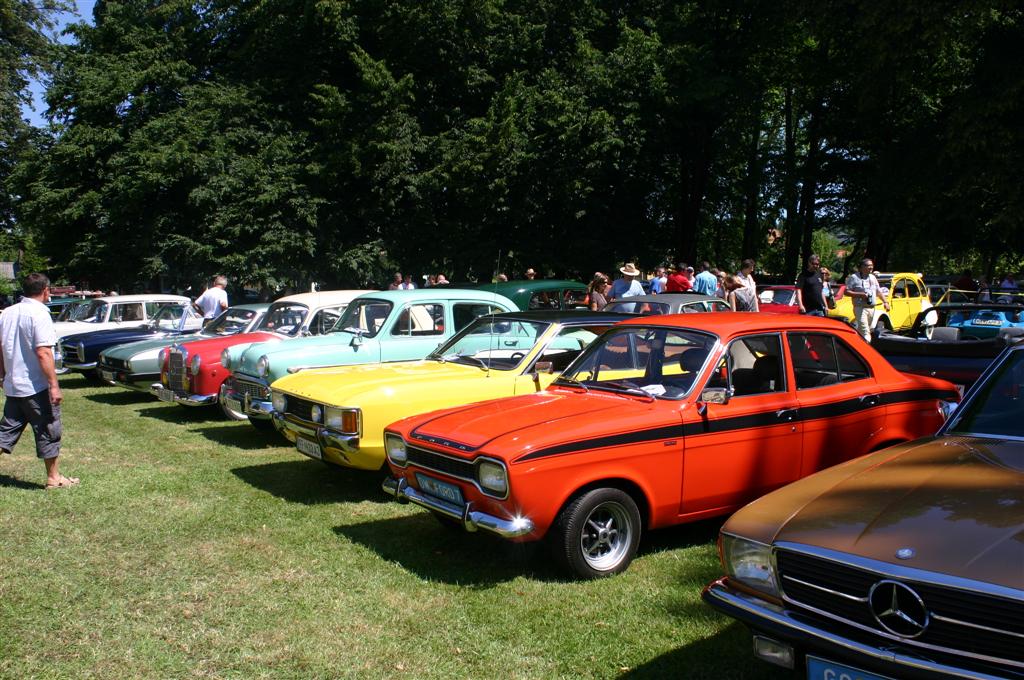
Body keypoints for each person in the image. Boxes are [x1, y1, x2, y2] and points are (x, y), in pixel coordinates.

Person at [0, 273, 78, 489]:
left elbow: (0, 347)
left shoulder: (7, 313)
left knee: (6, 431)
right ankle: (54, 478)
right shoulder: (39, 314)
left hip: (14, 384)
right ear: (46, 290)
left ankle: (55, 477)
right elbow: (44, 352)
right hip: (35, 385)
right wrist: (54, 385)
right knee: (48, 428)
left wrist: (2, 374)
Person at [845, 258, 889, 342]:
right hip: (860, 308)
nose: (871, 267)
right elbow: (846, 292)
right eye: (868, 265)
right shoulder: (854, 277)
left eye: (872, 265)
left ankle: (854, 344)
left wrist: (885, 302)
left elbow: (878, 291)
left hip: (871, 308)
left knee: (866, 330)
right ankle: (867, 349)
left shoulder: (872, 277)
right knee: (865, 332)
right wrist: (860, 295)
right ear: (862, 267)